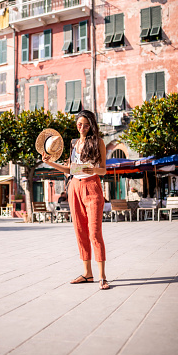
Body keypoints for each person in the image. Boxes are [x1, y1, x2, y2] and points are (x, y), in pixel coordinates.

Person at [42, 110, 109, 290]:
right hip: (74, 188)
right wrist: (49, 163)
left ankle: (102, 276)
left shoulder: (98, 142)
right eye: (79, 124)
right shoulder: (73, 144)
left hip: (92, 186)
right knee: (80, 231)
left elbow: (104, 170)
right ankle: (87, 274)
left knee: (95, 232)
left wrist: (93, 170)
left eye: (86, 125)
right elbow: (69, 169)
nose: (82, 128)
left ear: (92, 125)